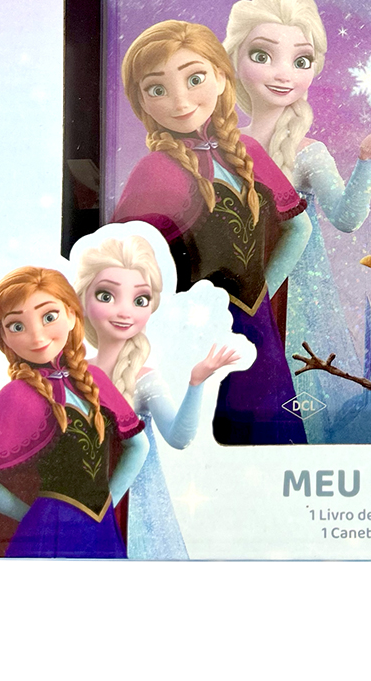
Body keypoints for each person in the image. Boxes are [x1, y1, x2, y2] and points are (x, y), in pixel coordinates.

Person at [224, 0, 371, 443]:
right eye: (262, 55)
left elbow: (347, 217)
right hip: (233, 280)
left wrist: (366, 157)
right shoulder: (225, 145)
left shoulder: (309, 153)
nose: (283, 74)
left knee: (290, 383)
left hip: (295, 289)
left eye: (301, 60)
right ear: (235, 61)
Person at [112, 20, 311, 445]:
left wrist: (262, 291)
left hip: (257, 330)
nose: (180, 101)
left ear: (221, 77)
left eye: (195, 78)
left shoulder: (249, 152)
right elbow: (122, 265)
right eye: (157, 89)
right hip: (193, 338)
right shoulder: (154, 172)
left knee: (274, 436)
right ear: (141, 101)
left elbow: (299, 228)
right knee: (209, 439)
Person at [0, 267, 148, 557]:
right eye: (17, 326)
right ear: (3, 337)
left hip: (101, 528)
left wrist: (110, 501)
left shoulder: (95, 380)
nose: (37, 337)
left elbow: (138, 445)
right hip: (49, 535)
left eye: (49, 317)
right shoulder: (16, 394)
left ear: (71, 315)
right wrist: (32, 517)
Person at [75, 232, 238, 559]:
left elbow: (178, 437)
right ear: (83, 301)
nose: (125, 312)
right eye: (107, 296)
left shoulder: (145, 380)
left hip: (137, 507)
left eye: (140, 300)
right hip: (78, 496)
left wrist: (196, 382)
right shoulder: (74, 374)